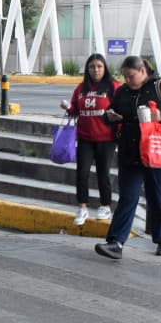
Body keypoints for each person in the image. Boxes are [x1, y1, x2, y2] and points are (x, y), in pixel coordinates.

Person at [95, 56, 161, 260]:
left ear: (143, 72)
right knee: (127, 198)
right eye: (125, 76)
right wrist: (110, 116)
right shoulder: (123, 92)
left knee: (156, 197)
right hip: (130, 152)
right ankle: (116, 243)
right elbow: (110, 112)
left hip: (156, 152)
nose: (127, 80)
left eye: (131, 76)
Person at [59, 53, 117, 226]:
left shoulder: (113, 87)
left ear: (104, 68)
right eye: (92, 67)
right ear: (87, 69)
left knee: (102, 174)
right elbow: (75, 111)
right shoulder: (80, 89)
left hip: (106, 139)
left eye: (99, 66)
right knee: (81, 173)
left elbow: (121, 109)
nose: (95, 69)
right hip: (85, 138)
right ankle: (82, 207)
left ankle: (105, 205)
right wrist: (68, 107)